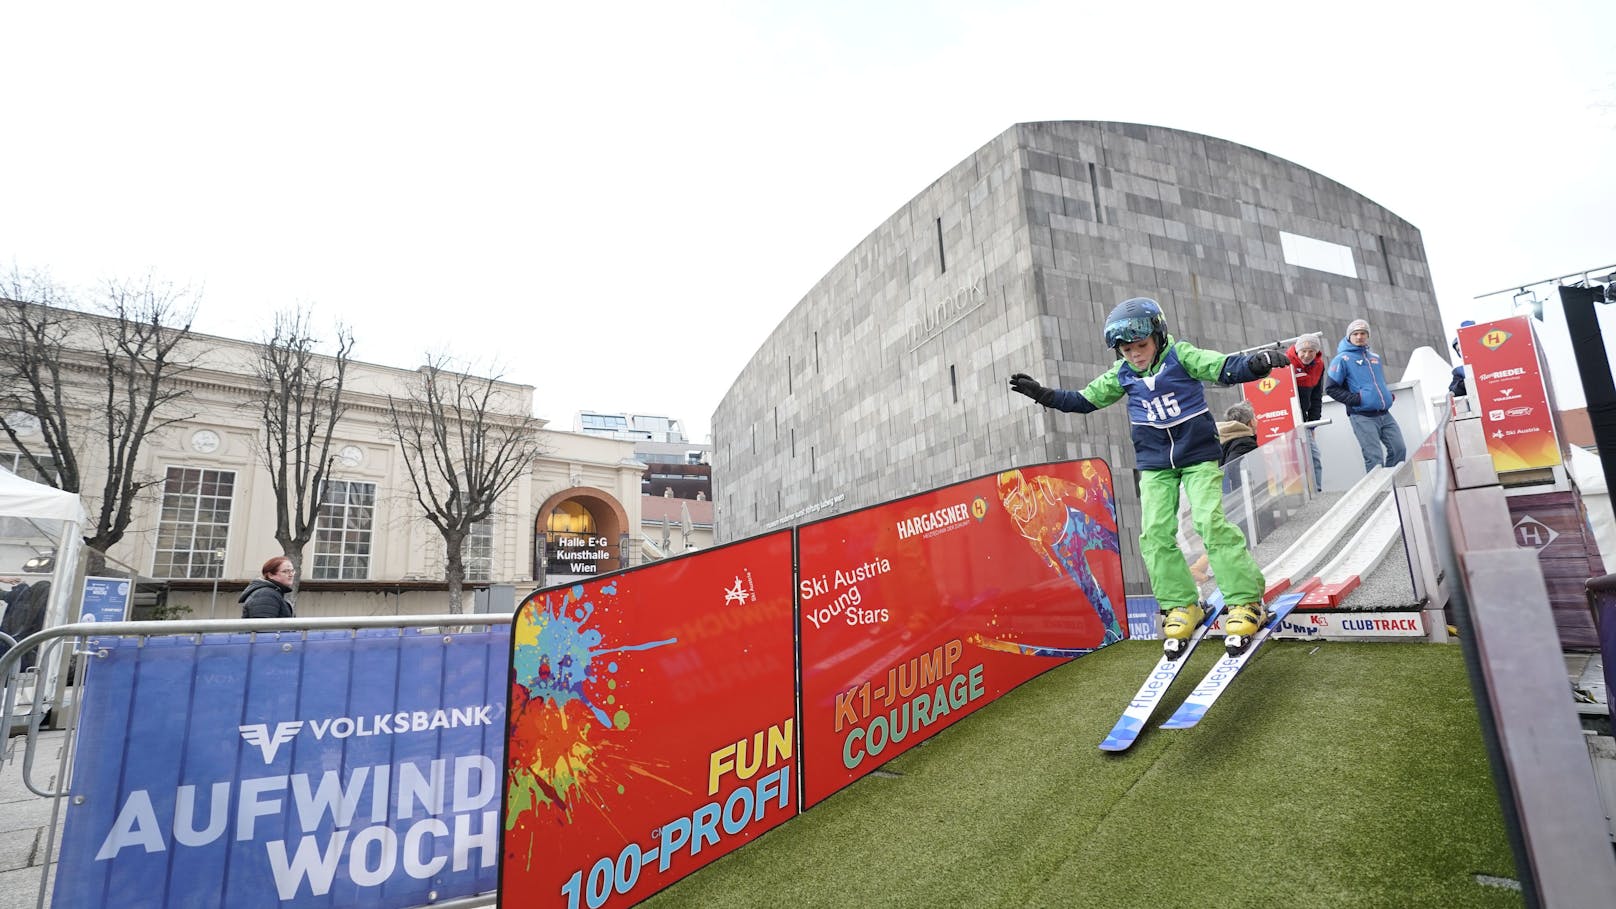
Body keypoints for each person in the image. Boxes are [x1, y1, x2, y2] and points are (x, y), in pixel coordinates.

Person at [1009, 296, 1290, 655]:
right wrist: (1044, 395)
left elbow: (1222, 367)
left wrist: (1257, 364)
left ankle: (1246, 601)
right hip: (1156, 465)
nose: (1135, 355)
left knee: (1209, 522)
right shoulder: (1122, 374)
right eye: (1126, 349)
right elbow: (1084, 400)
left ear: (1158, 337)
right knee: (1154, 533)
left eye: (1141, 346)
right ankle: (1181, 604)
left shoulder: (1181, 356)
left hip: (1198, 456)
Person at [1324, 318, 1406, 472]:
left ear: (1367, 336)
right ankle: (1379, 494)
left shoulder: (1375, 358)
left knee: (1399, 449)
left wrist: (1386, 395)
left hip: (1385, 414)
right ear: (1349, 336)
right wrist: (1358, 399)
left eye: (1363, 333)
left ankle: (1390, 486)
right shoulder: (1342, 359)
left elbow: (1377, 382)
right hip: (1362, 416)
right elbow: (1331, 388)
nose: (1360, 336)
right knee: (1374, 459)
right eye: (1355, 334)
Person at [1287, 333, 1326, 488]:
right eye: (1303, 350)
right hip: (1287, 419)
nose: (1307, 355)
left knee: (1312, 455)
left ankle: (1316, 489)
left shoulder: (1319, 366)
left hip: (1303, 421)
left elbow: (1316, 397)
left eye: (1311, 351)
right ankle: (1303, 492)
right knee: (1294, 458)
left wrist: (1313, 424)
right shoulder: (1286, 363)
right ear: (1297, 350)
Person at [1217, 401, 1259, 467]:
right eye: (1255, 418)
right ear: (1251, 422)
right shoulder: (1245, 444)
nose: (1257, 421)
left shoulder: (1223, 441)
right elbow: (1232, 471)